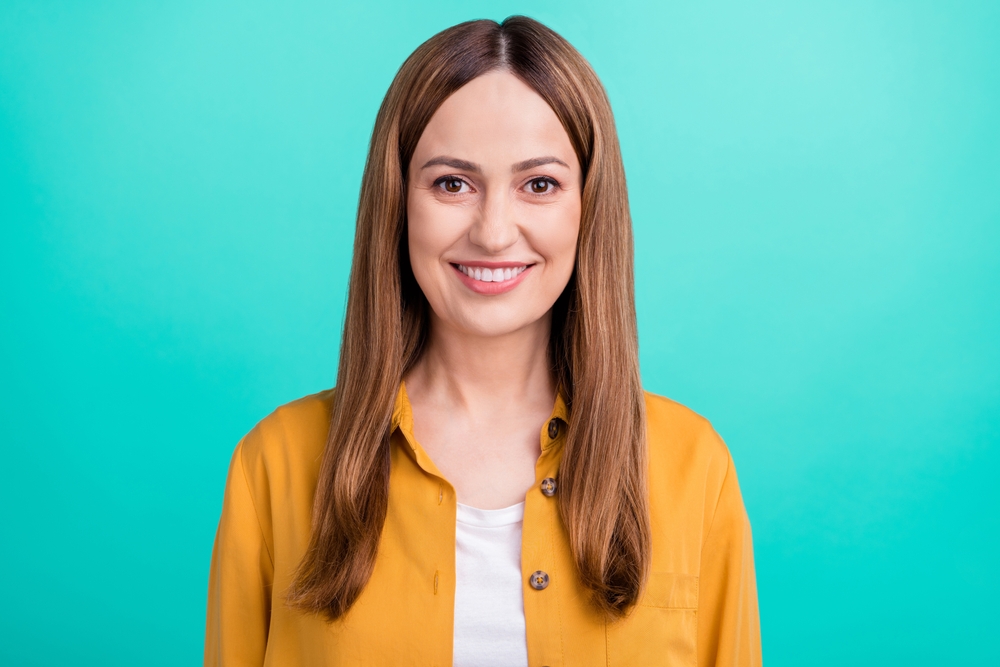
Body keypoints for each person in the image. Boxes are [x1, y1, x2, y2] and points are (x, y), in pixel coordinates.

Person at [205, 16, 761, 667]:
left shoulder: (695, 466)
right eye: (452, 183)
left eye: (540, 184)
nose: (494, 232)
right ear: (398, 202)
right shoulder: (273, 465)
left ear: (588, 206)